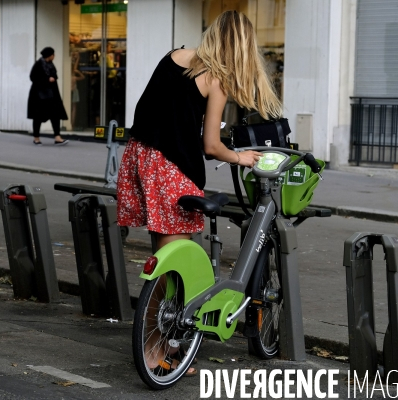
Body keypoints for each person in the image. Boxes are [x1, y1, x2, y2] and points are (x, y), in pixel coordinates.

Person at [116, 10, 282, 376]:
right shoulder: (218, 79)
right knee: (180, 264)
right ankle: (162, 351)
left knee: (167, 257)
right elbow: (210, 145)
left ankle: (161, 343)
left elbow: (156, 111)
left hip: (140, 158)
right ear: (241, 47)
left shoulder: (174, 56)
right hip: (172, 167)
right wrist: (242, 157)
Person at [27, 47, 69, 145]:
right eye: (53, 54)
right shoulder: (38, 64)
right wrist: (47, 80)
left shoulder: (50, 64)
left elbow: (54, 75)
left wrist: (53, 77)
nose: (54, 56)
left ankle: (57, 137)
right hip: (39, 95)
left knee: (55, 115)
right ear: (50, 55)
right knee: (38, 116)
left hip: (52, 94)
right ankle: (36, 138)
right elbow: (33, 77)